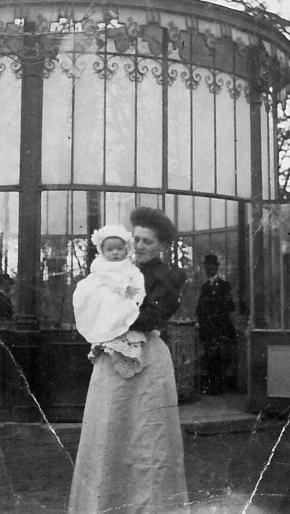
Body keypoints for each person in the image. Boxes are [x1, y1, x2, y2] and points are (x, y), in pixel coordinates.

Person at [68, 207, 189, 514]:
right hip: (113, 357)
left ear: (161, 245)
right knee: (110, 425)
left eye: (148, 241)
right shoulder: (116, 266)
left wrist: (114, 314)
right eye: (137, 239)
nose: (140, 246)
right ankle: (106, 504)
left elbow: (151, 317)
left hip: (146, 358)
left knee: (148, 434)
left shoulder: (170, 276)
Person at [73, 224, 147, 379]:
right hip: (105, 295)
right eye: (110, 250)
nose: (115, 253)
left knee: (122, 312)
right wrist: (123, 286)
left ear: (126, 249)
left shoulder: (129, 266)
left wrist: (136, 291)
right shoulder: (101, 265)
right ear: (102, 251)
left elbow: (136, 277)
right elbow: (105, 277)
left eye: (119, 249)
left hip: (122, 299)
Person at [196, 254, 237, 395]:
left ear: (216, 268)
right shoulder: (204, 287)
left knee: (220, 358)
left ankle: (220, 386)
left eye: (211, 267)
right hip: (208, 329)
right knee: (209, 358)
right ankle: (214, 386)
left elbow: (231, 306)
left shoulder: (225, 286)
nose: (209, 269)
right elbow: (199, 309)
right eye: (207, 267)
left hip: (221, 329)